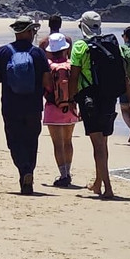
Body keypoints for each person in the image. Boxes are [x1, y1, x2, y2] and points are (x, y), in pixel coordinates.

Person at [69, 11, 130, 198]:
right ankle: (98, 183)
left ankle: (107, 187)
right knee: (103, 143)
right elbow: (124, 77)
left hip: (89, 99)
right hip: (109, 98)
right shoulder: (113, 45)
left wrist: (70, 100)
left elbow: (73, 77)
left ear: (82, 26)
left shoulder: (79, 47)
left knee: (97, 145)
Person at [0, 15, 51, 194]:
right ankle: (29, 171)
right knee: (31, 141)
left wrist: (9, 79)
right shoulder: (37, 53)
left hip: (10, 105)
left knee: (14, 141)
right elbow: (47, 82)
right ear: (30, 32)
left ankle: (23, 170)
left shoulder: (3, 51)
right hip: (33, 106)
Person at [42, 31, 78, 187]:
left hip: (52, 107)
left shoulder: (48, 66)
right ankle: (68, 172)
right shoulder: (71, 65)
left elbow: (45, 87)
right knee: (68, 141)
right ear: (65, 49)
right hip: (70, 108)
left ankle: (63, 175)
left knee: (57, 144)